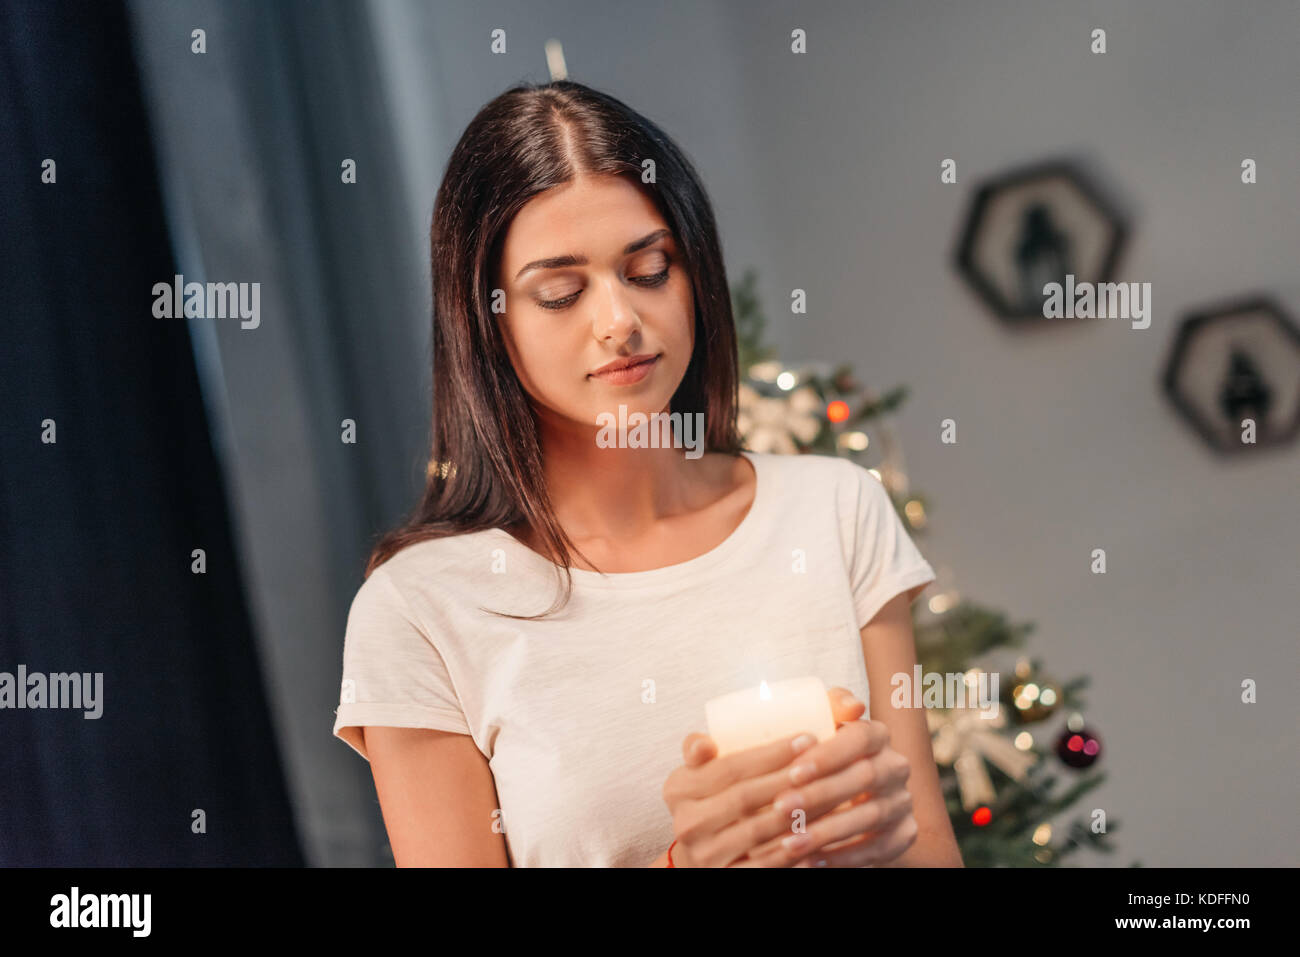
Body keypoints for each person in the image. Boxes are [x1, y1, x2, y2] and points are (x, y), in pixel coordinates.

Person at [332, 79, 962, 868]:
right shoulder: (422, 609)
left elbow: (930, 851)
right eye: (560, 294)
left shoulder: (833, 511)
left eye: (650, 269)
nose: (620, 321)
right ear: (486, 323)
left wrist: (880, 836)